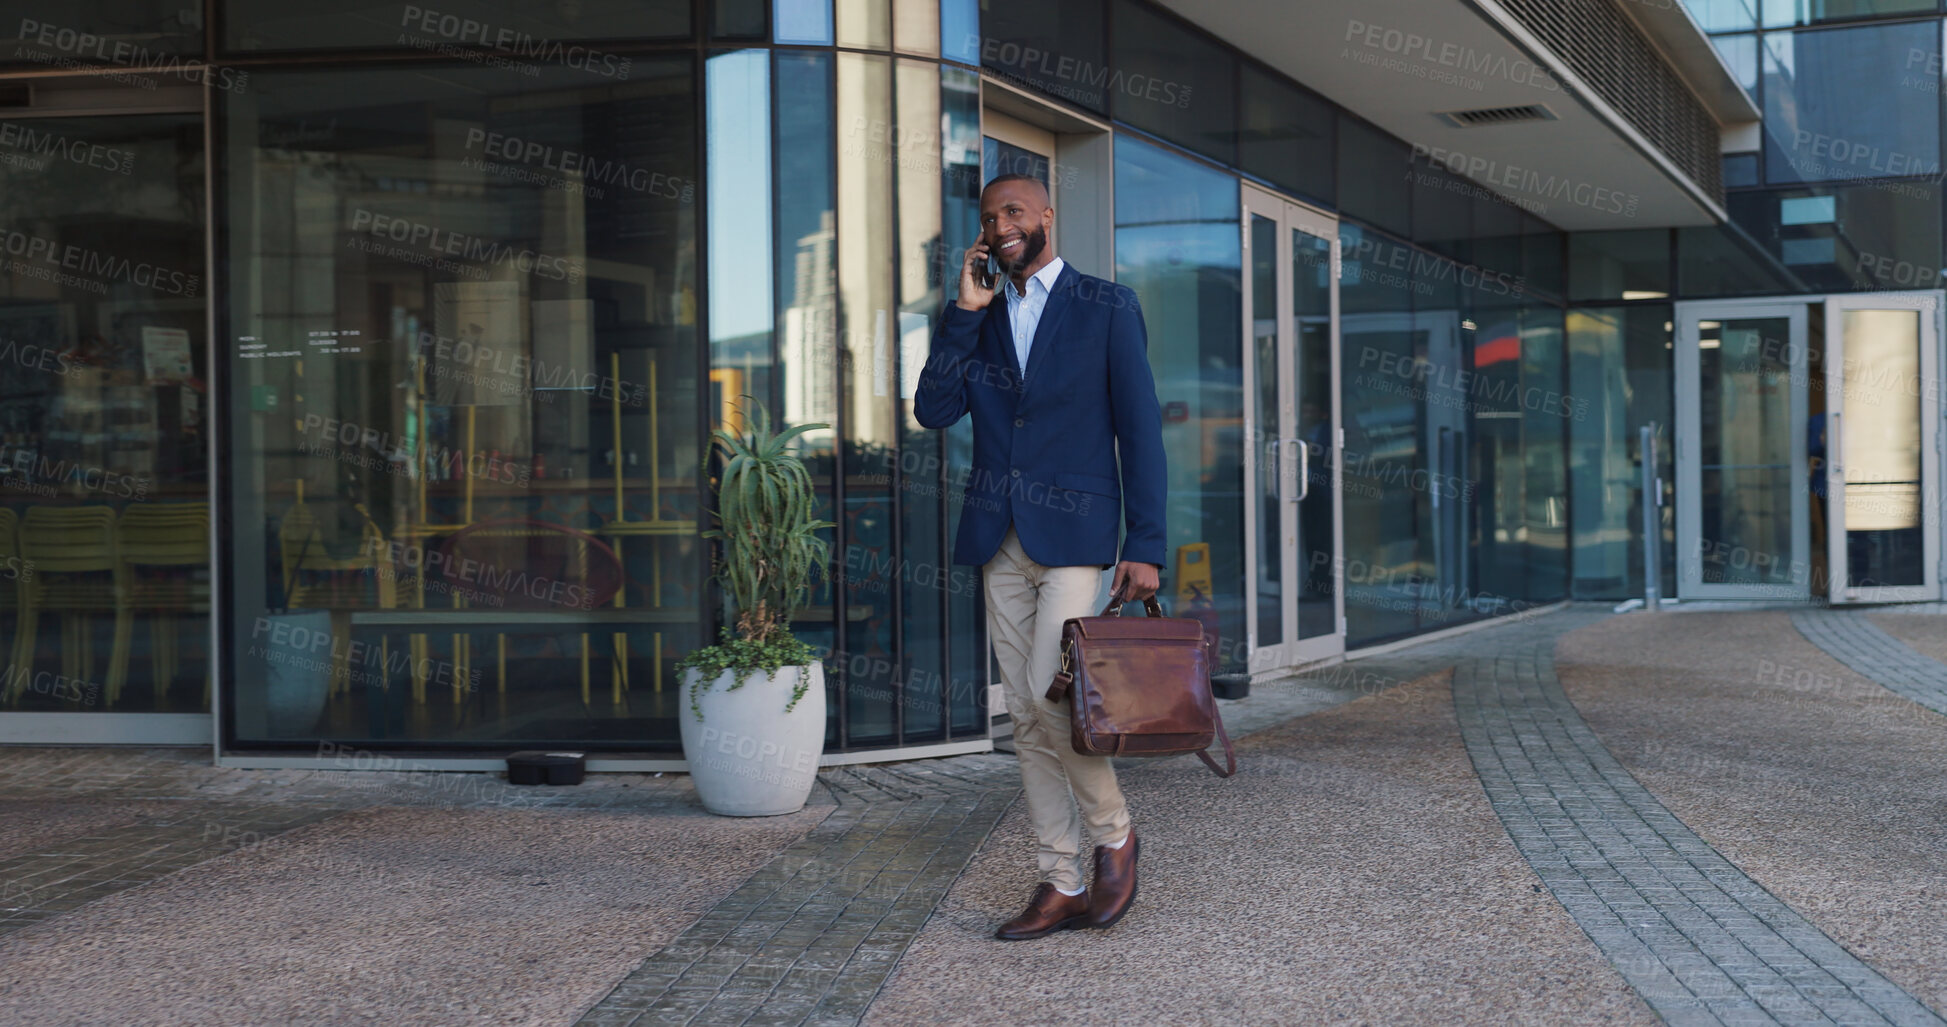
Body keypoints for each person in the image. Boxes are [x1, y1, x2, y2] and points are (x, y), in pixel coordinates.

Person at [913, 174, 1167, 940]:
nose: (1000, 226)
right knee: (1025, 714)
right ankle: (1058, 878)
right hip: (1000, 538)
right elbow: (932, 410)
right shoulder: (980, 317)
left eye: (1014, 212)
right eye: (989, 218)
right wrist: (963, 312)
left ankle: (1115, 836)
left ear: (1047, 216)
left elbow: (1141, 430)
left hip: (1075, 540)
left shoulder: (1107, 306)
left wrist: (1146, 544)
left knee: (1053, 699)